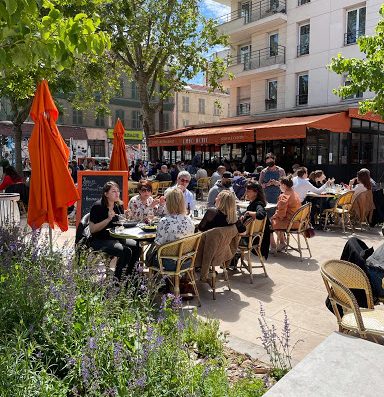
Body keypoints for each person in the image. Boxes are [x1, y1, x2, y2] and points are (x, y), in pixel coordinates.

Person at [89, 181, 140, 281]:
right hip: (100, 239)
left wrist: (126, 217)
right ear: (106, 194)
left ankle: (129, 277)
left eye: (118, 191)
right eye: (113, 191)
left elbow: (120, 223)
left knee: (137, 247)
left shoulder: (118, 205)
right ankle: (117, 281)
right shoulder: (98, 207)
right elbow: (92, 229)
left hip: (116, 237)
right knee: (126, 251)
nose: (117, 194)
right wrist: (108, 219)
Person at [146, 187, 195, 269]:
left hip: (169, 263)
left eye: (165, 199)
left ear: (168, 202)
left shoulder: (165, 221)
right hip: (187, 261)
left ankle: (159, 279)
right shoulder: (189, 220)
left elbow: (158, 246)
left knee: (149, 255)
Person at [271, 175, 301, 252]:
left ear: (284, 185)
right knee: (274, 220)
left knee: (268, 224)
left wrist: (274, 217)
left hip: (290, 222)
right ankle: (282, 241)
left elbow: (281, 213)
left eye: (280, 184)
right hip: (298, 221)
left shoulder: (284, 196)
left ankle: (274, 246)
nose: (279, 186)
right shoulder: (295, 193)